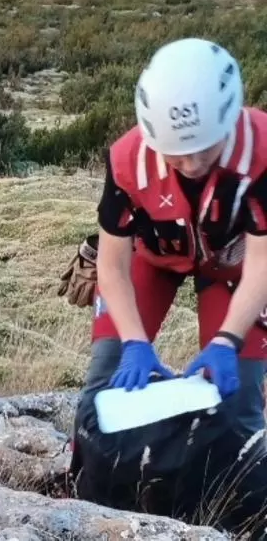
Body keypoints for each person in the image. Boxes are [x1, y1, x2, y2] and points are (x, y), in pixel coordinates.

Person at [75, 37, 267, 440]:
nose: (192, 165)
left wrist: (228, 339)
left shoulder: (262, 153)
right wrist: (133, 342)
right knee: (106, 380)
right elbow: (112, 266)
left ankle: (234, 481)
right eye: (176, 154)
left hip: (235, 268)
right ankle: (86, 473)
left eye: (205, 150)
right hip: (154, 257)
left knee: (238, 396)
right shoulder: (127, 160)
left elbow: (262, 264)